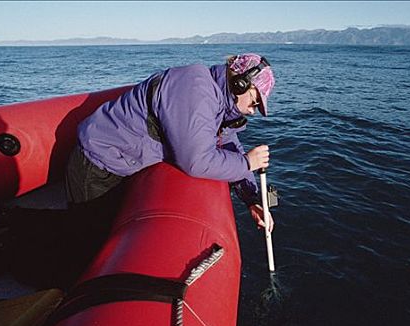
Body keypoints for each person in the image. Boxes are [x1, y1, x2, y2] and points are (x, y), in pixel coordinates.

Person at [65, 53, 275, 233]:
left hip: (122, 163)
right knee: (88, 238)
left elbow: (226, 141)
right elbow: (196, 161)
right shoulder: (196, 91)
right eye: (254, 102)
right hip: (97, 163)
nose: (252, 111)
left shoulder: (218, 100)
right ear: (240, 84)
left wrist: (251, 198)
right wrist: (247, 163)